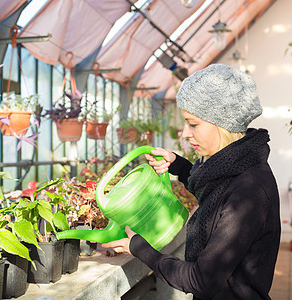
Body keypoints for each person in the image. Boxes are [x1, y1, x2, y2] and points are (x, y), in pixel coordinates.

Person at [102, 64, 280, 300]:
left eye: (193, 123)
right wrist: (177, 164)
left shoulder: (250, 191)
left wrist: (139, 247)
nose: (185, 133)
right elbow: (215, 194)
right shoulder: (235, 167)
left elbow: (200, 280)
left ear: (222, 123)